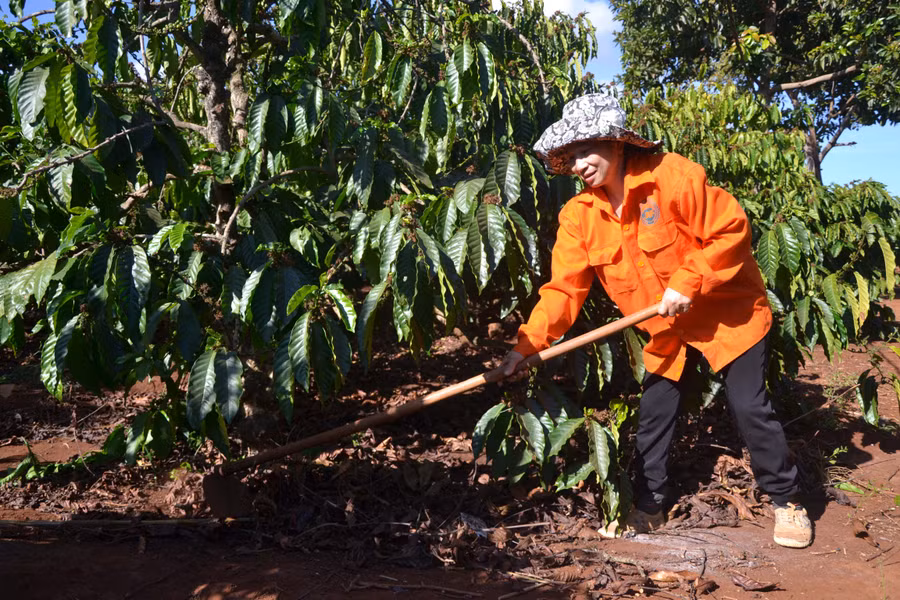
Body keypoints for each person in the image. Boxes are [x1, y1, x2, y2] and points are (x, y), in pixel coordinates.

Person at [498, 94, 812, 549]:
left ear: (617, 144)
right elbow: (563, 291)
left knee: (748, 406)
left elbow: (731, 228)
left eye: (587, 150)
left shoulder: (674, 177)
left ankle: (787, 501)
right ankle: (650, 505)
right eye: (570, 157)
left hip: (729, 315)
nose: (580, 164)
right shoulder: (579, 217)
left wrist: (689, 280)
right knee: (655, 414)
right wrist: (525, 348)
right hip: (666, 332)